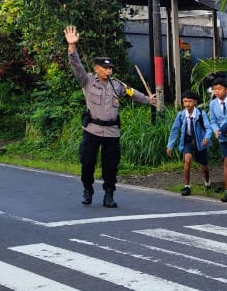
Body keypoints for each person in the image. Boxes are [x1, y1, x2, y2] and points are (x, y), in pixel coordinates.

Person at [64, 25, 157, 208]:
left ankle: (109, 194)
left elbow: (131, 92)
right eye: (105, 68)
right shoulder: (88, 80)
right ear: (96, 68)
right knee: (87, 162)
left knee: (111, 165)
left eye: (110, 68)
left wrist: (148, 100)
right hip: (93, 130)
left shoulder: (117, 85)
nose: (109, 71)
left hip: (112, 131)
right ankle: (88, 189)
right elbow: (76, 66)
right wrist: (72, 47)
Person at [166, 90, 211, 195]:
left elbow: (208, 128)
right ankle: (187, 186)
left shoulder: (201, 114)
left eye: (190, 101)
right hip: (188, 141)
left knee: (204, 166)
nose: (187, 104)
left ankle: (207, 182)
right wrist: (170, 145)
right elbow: (175, 130)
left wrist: (206, 137)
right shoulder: (181, 115)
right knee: (187, 159)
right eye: (185, 101)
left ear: (195, 102)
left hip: (200, 142)